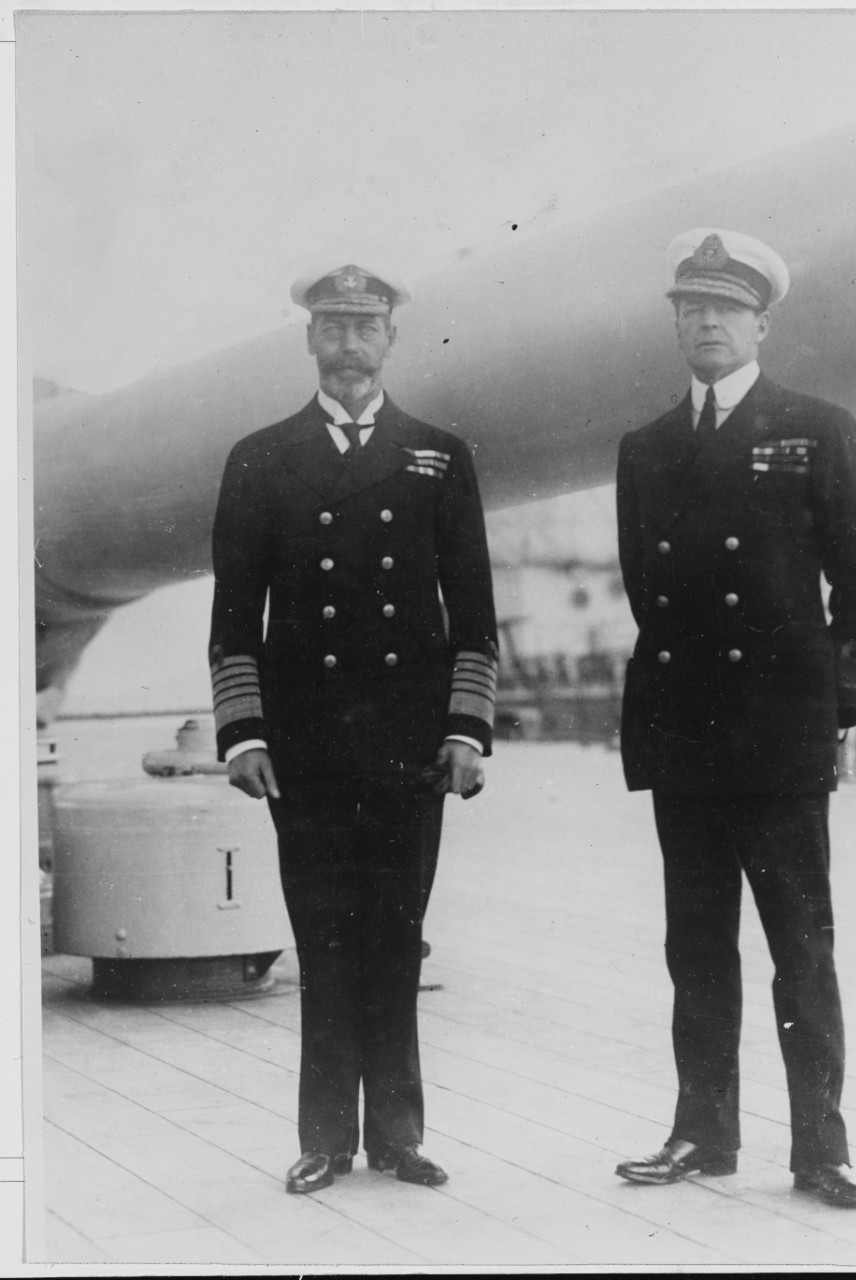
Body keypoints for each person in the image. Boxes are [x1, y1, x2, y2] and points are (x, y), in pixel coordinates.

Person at [613, 229, 856, 1208]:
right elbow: (647, 592)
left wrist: (832, 707)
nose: (704, 323)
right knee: (694, 949)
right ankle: (703, 1133)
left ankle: (822, 1148)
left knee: (801, 952)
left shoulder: (816, 428)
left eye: (724, 309)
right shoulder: (645, 448)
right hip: (685, 740)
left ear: (761, 323)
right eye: (688, 308)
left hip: (779, 743)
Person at [208, 258, 498, 1194]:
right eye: (331, 328)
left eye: (364, 328)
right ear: (308, 341)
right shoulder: (259, 456)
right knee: (325, 939)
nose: (347, 345)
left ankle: (400, 1137)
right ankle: (327, 1138)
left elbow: (474, 614)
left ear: (390, 341)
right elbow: (233, 615)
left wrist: (466, 728)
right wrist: (243, 735)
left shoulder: (440, 455)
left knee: (398, 937)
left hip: (411, 747)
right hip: (306, 751)